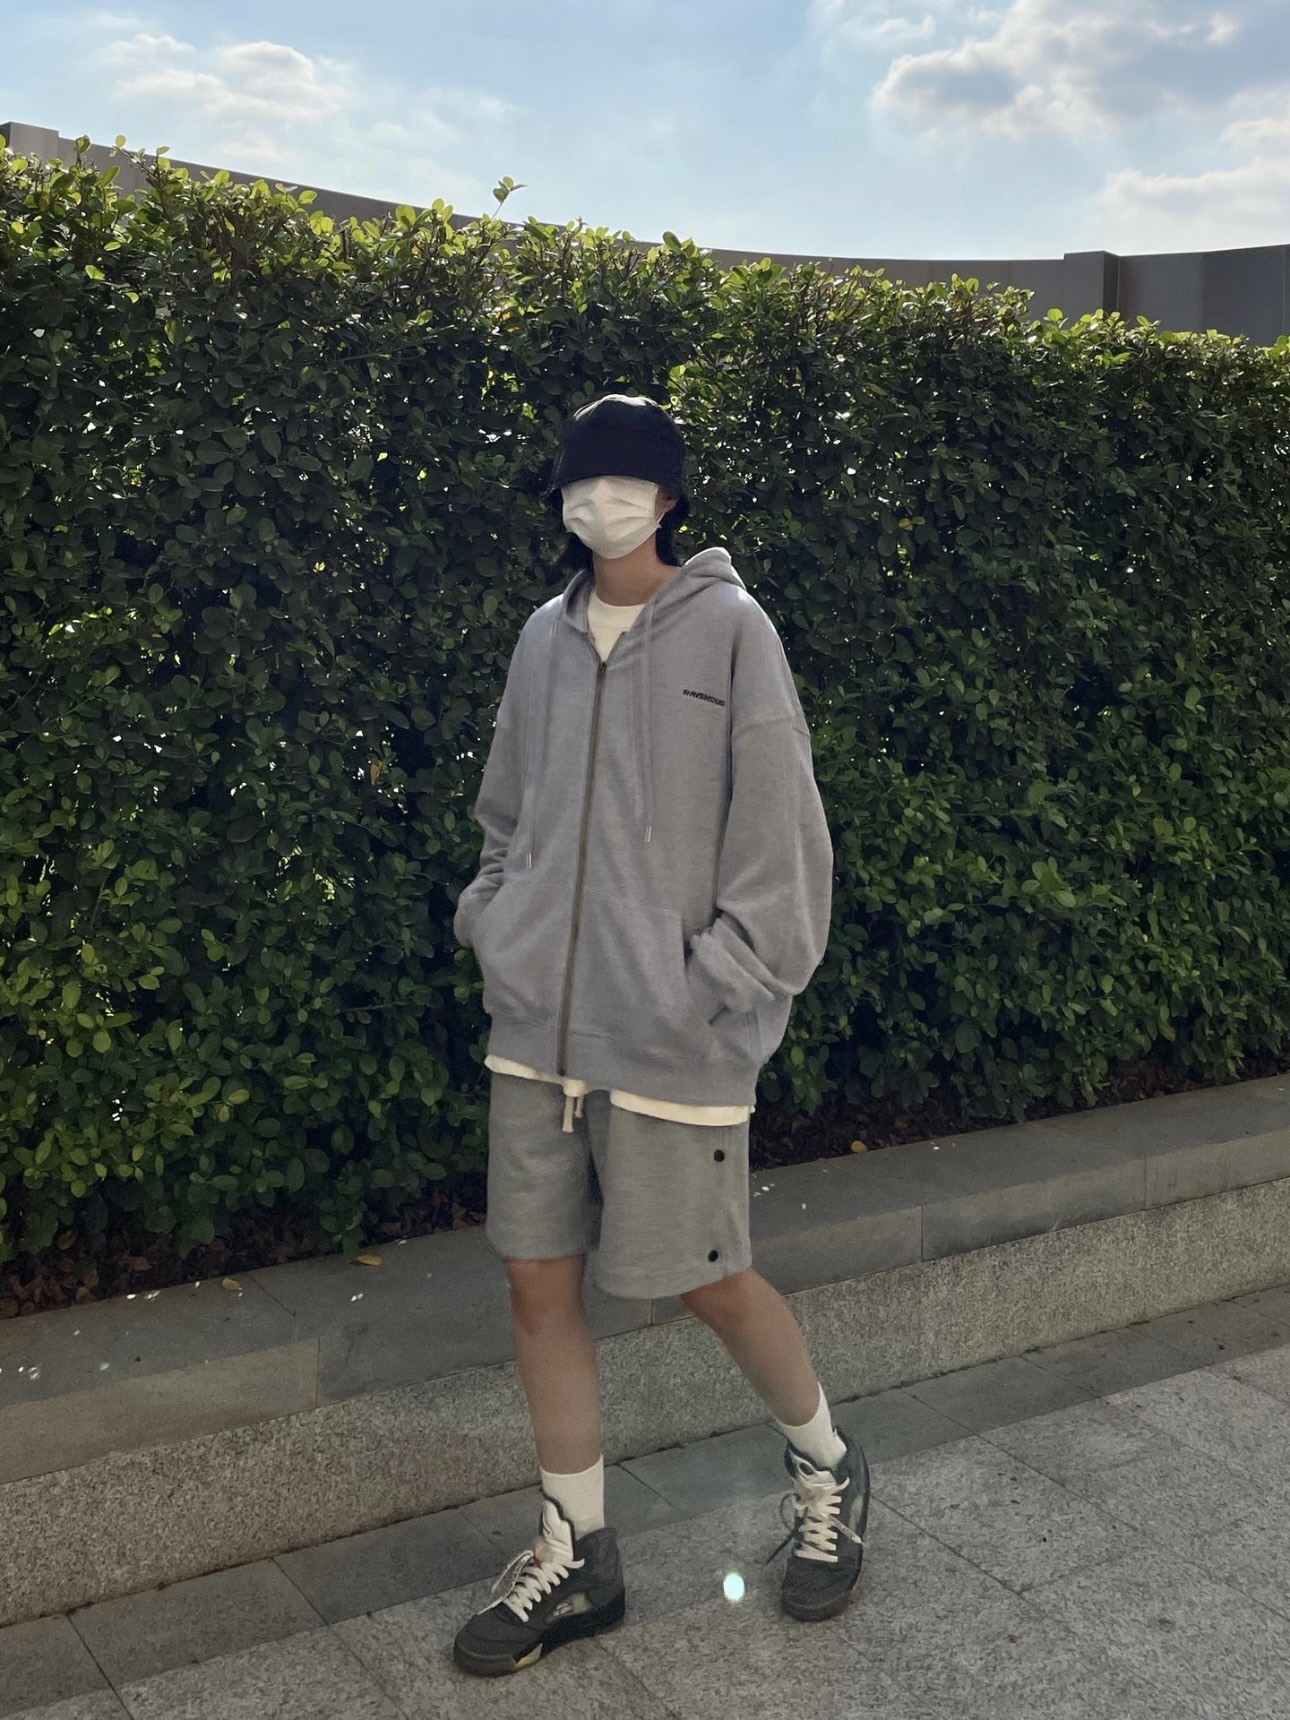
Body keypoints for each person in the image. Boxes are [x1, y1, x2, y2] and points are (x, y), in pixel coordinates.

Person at [450, 392, 870, 1678]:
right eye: (582, 483)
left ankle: (828, 1466)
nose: (601, 501)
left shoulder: (734, 630)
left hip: (676, 1035)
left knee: (706, 1276)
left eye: (625, 481)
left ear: (669, 496)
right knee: (537, 1279)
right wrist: (497, 919)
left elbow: (784, 835)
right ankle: (577, 1546)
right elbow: (506, 810)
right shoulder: (542, 637)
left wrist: (717, 982)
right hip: (538, 1030)